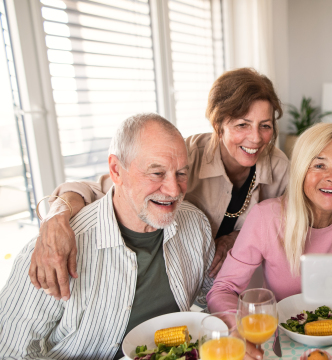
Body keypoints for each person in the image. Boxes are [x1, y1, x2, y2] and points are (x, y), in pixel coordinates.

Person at [0, 113, 215, 360]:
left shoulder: (195, 224)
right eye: (156, 173)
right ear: (116, 170)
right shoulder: (52, 251)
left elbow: (213, 297)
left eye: (181, 173)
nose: (174, 190)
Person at [28, 68, 289, 302]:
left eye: (265, 126)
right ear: (219, 125)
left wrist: (236, 237)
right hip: (183, 275)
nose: (256, 138)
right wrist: (57, 217)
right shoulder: (185, 157)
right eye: (242, 124)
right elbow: (103, 188)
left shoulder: (278, 166)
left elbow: (287, 222)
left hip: (238, 282)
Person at [207, 123, 332, 360]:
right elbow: (223, 289)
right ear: (301, 170)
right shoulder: (266, 218)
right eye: (319, 164)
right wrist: (236, 329)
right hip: (283, 353)